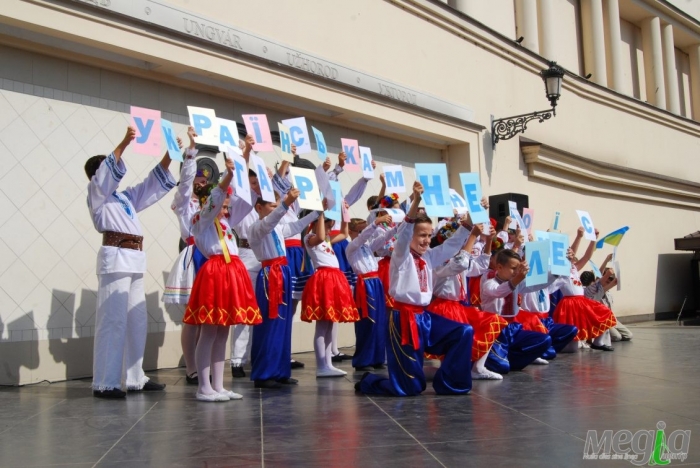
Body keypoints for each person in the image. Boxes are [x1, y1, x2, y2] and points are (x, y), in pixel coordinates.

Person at [357, 182, 475, 397]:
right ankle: (370, 381)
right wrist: (416, 203)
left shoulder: (428, 256)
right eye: (422, 235)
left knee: (463, 332)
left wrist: (471, 219)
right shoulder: (401, 256)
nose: (427, 240)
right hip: (403, 320)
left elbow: (451, 245)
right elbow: (403, 236)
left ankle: (449, 382)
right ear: (411, 235)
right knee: (409, 388)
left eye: (429, 235)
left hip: (425, 318)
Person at [86, 126, 176, 398]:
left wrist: (170, 155)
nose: (113, 171)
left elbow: (150, 185)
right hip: (115, 260)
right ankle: (105, 382)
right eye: (107, 167)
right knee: (112, 321)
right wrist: (124, 142)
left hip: (135, 259)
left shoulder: (123, 198)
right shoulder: (96, 193)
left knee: (136, 320)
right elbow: (105, 176)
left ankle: (135, 377)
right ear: (97, 174)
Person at [183, 156, 261, 402]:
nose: (227, 205)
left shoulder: (226, 221)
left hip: (231, 271)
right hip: (215, 271)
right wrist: (227, 176)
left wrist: (245, 156)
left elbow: (247, 202)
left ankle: (218, 384)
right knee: (209, 330)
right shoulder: (200, 219)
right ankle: (203, 386)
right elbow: (216, 200)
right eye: (224, 200)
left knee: (223, 330)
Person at [248, 189, 320, 388]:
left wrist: (317, 212)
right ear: (259, 208)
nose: (275, 209)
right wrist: (286, 203)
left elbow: (296, 226)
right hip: (270, 275)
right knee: (270, 323)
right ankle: (264, 373)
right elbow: (271, 221)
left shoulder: (277, 227)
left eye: (276, 205)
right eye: (272, 205)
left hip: (284, 273)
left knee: (284, 323)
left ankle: (280, 370)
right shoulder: (256, 228)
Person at [427, 220, 508, 380]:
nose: (465, 245)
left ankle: (478, 368)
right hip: (444, 308)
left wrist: (490, 240)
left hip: (459, 306)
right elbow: (460, 264)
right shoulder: (440, 261)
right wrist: (473, 236)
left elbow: (480, 266)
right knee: (450, 355)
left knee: (492, 321)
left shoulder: (458, 258)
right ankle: (444, 372)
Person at [162, 127, 204, 384]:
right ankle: (191, 367)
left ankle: (203, 362)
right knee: (192, 316)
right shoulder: (184, 203)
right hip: (193, 256)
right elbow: (186, 184)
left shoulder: (210, 205)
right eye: (197, 181)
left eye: (204, 182)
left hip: (211, 258)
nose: (200, 184)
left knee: (206, 314)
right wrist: (191, 151)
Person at [301, 205, 360, 377]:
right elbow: (319, 236)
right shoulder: (310, 238)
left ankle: (328, 362)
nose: (329, 229)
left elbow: (344, 234)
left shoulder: (326, 239)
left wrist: (345, 213)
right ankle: (321, 365)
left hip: (334, 279)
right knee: (322, 324)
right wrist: (319, 213)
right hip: (324, 280)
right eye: (327, 225)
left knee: (330, 324)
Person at [480, 250, 554, 373]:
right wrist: (518, 278)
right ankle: (500, 359)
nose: (517, 272)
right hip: (494, 331)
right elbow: (499, 292)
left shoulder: (516, 283)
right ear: (499, 267)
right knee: (501, 368)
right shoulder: (489, 284)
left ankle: (508, 359)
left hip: (512, 328)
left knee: (544, 340)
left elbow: (537, 284)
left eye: (518, 269)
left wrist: (556, 272)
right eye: (513, 268)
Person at [229, 136, 264, 379]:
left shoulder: (264, 204)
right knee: (244, 310)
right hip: (244, 254)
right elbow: (239, 177)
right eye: (252, 184)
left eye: (257, 184)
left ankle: (253, 356)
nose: (255, 188)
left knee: (259, 311)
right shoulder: (239, 201)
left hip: (263, 257)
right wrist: (247, 152)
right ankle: (237, 360)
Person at [345, 215, 396, 372]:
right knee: (368, 322)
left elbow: (383, 238)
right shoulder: (351, 247)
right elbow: (363, 238)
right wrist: (374, 223)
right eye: (360, 231)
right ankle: (363, 359)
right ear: (352, 232)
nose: (363, 234)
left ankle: (377, 357)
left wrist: (398, 226)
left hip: (376, 282)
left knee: (380, 321)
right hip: (365, 284)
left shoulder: (367, 245)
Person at [553, 230, 617, 351]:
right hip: (570, 305)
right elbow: (570, 254)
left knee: (604, 312)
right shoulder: (561, 270)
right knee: (572, 346)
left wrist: (593, 239)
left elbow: (587, 256)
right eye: (570, 256)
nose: (572, 257)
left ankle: (598, 342)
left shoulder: (575, 269)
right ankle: (556, 345)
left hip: (581, 302)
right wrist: (578, 237)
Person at [581, 265, 632, 342]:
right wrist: (607, 260)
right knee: (617, 337)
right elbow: (599, 278)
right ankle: (601, 336)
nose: (608, 283)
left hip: (611, 319)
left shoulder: (608, 294)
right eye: (606, 281)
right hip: (602, 320)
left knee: (629, 335)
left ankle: (606, 335)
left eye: (609, 282)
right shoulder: (594, 291)